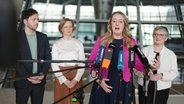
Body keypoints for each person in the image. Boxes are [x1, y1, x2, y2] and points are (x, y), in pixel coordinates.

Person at [88, 11, 144, 104]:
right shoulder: (102, 40)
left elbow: (138, 63)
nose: (117, 24)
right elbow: (92, 62)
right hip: (103, 83)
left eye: (120, 21)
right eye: (114, 21)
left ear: (124, 25)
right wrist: (98, 79)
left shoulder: (131, 42)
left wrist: (148, 68)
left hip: (124, 85)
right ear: (110, 24)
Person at [14, 8, 51, 104]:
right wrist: (28, 76)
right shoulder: (16, 38)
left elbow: (48, 58)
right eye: (33, 19)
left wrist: (42, 74)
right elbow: (14, 60)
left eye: (37, 19)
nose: (37, 22)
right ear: (25, 21)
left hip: (39, 82)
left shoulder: (43, 37)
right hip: (22, 82)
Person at [137, 26, 178, 104]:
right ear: (153, 36)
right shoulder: (144, 51)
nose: (158, 37)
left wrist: (161, 75)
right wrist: (145, 72)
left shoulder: (171, 54)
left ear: (166, 38)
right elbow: (136, 69)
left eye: (161, 35)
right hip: (144, 86)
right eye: (155, 34)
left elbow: (174, 72)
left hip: (162, 89)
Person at [51, 18, 85, 104]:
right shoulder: (56, 44)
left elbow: (82, 63)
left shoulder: (78, 43)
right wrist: (64, 80)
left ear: (73, 28)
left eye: (70, 26)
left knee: (75, 101)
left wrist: (76, 80)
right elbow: (54, 64)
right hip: (61, 75)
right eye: (66, 27)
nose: (68, 29)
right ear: (61, 29)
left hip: (76, 75)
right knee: (61, 101)